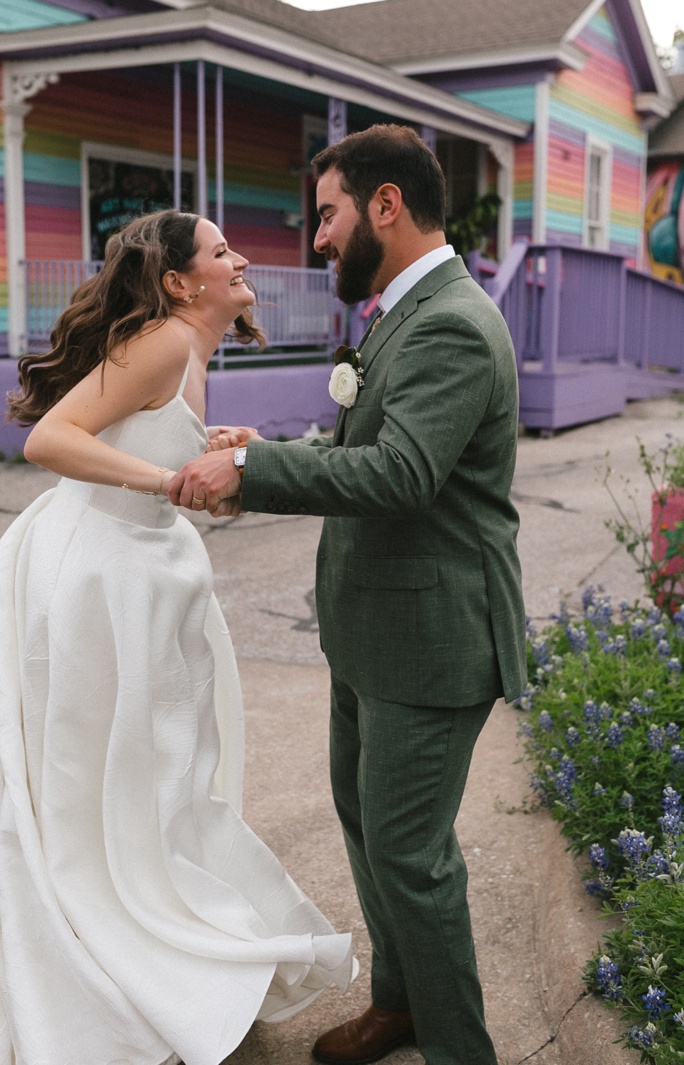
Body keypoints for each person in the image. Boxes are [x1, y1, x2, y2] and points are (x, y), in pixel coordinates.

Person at [0, 209, 356, 1065]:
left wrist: (209, 456)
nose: (241, 257)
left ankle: (154, 957)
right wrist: (169, 476)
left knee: (149, 784)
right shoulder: (167, 340)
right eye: (221, 252)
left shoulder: (189, 349)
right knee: (98, 787)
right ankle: (108, 978)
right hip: (92, 578)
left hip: (140, 572)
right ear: (180, 281)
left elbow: (146, 445)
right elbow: (49, 439)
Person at [173, 124, 524, 1065]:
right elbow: (374, 445)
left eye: (326, 214)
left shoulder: (451, 320)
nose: (317, 238)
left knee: (411, 857)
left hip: (433, 639)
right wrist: (273, 447)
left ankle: (460, 1049)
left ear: (385, 205)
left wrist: (255, 472)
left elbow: (405, 474)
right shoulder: (407, 311)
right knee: (370, 831)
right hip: (373, 630)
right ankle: (401, 1004)